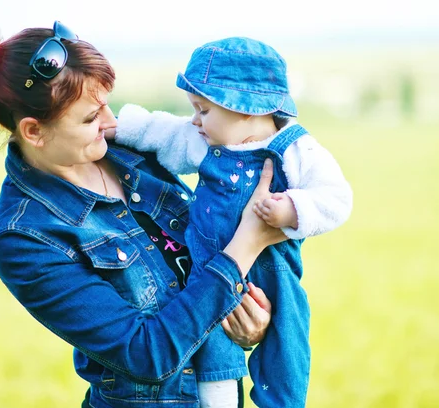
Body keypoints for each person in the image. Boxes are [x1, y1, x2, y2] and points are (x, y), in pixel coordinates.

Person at [0, 9, 288, 408]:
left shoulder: (131, 152)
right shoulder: (23, 237)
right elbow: (146, 353)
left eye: (105, 104)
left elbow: (203, 253)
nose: (110, 120)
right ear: (34, 131)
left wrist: (248, 321)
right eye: (89, 117)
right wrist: (247, 245)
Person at [112, 37, 353, 407]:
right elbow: (163, 132)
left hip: (273, 272)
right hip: (212, 269)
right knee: (213, 346)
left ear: (242, 108)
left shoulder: (295, 148)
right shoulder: (206, 141)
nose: (195, 120)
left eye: (203, 110)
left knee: (287, 342)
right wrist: (118, 128)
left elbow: (336, 198)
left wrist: (290, 209)